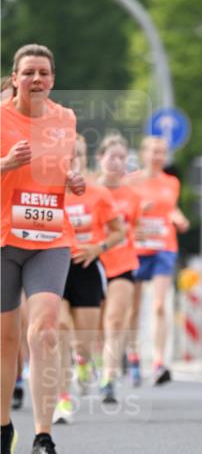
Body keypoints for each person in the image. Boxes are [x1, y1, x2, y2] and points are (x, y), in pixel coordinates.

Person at [1, 44, 85, 454]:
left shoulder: (65, 119)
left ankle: (42, 438)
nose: (37, 79)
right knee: (5, 340)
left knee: (45, 332)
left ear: (53, 79)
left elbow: (60, 171)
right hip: (3, 237)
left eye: (45, 73)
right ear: (14, 77)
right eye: (29, 72)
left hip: (50, 234)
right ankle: (2, 431)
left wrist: (73, 181)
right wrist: (4, 163)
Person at [54, 138, 125, 422]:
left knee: (83, 341)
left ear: (86, 159)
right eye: (68, 155)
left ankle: (83, 361)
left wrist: (99, 248)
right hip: (54, 265)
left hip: (87, 267)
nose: (73, 160)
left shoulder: (98, 194)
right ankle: (63, 397)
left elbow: (118, 231)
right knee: (58, 327)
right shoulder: (50, 192)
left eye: (79, 155)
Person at [127, 135, 189, 385]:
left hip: (164, 244)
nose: (158, 156)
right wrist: (139, 211)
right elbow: (121, 213)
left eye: (162, 152)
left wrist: (179, 218)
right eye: (154, 152)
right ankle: (132, 355)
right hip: (137, 246)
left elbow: (170, 207)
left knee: (160, 305)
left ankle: (159, 361)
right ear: (143, 154)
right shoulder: (129, 182)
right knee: (134, 306)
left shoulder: (171, 182)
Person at [97, 133, 141, 404]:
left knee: (114, 321)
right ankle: (86, 362)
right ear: (100, 158)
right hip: (90, 262)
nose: (117, 163)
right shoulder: (86, 189)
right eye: (112, 157)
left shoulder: (132, 197)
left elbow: (132, 228)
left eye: (122, 158)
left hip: (123, 262)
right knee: (92, 326)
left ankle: (108, 378)